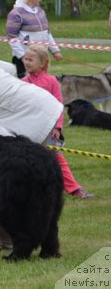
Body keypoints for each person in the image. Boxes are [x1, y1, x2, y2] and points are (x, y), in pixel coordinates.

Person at [21, 45, 94, 199]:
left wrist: (58, 127)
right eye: (25, 59)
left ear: (42, 63)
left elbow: (58, 105)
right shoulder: (22, 82)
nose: (26, 62)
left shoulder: (51, 81)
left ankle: (74, 189)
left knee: (58, 159)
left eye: (30, 59)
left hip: (48, 129)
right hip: (28, 128)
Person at [6, 0, 62, 78]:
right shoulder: (15, 13)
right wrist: (24, 57)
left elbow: (47, 34)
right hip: (25, 59)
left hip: (41, 57)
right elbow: (12, 38)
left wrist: (55, 51)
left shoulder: (41, 12)